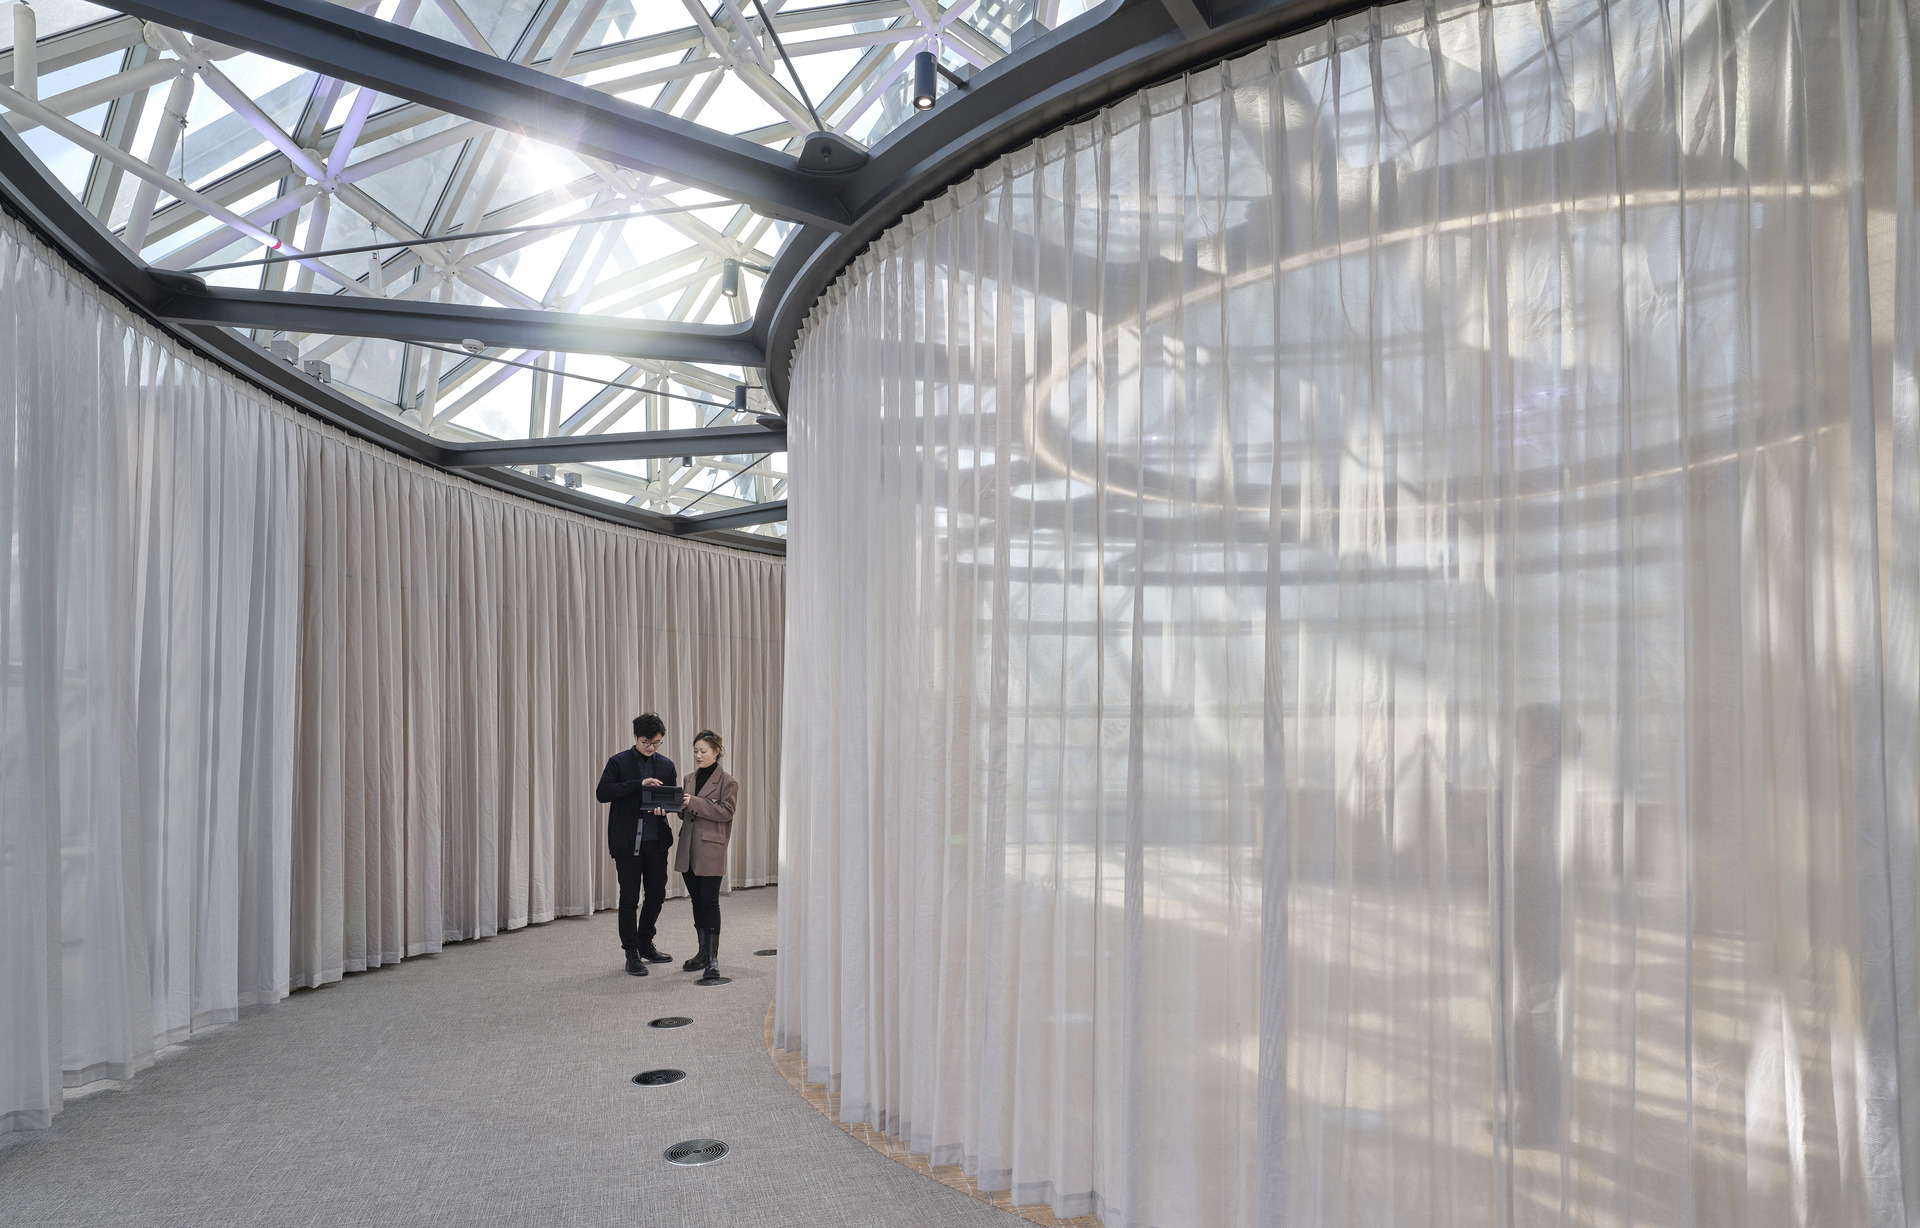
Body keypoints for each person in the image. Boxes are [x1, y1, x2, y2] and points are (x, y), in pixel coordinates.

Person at [596, 713, 677, 976]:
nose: (651, 747)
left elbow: (671, 800)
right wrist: (637, 785)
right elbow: (603, 793)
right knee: (629, 899)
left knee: (656, 895)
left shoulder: (666, 765)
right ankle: (631, 952)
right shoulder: (618, 762)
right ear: (635, 737)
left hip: (656, 841)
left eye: (656, 742)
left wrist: (666, 809)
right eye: (646, 742)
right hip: (627, 843)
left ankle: (645, 942)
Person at [674, 730, 737, 982]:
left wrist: (695, 803)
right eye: (695, 751)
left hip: (711, 849)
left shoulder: (727, 781)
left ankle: (713, 958)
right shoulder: (689, 778)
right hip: (688, 848)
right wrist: (678, 807)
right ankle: (701, 952)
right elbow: (686, 813)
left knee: (710, 902)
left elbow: (726, 812)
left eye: (703, 751)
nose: (698, 755)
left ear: (717, 752)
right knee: (696, 902)